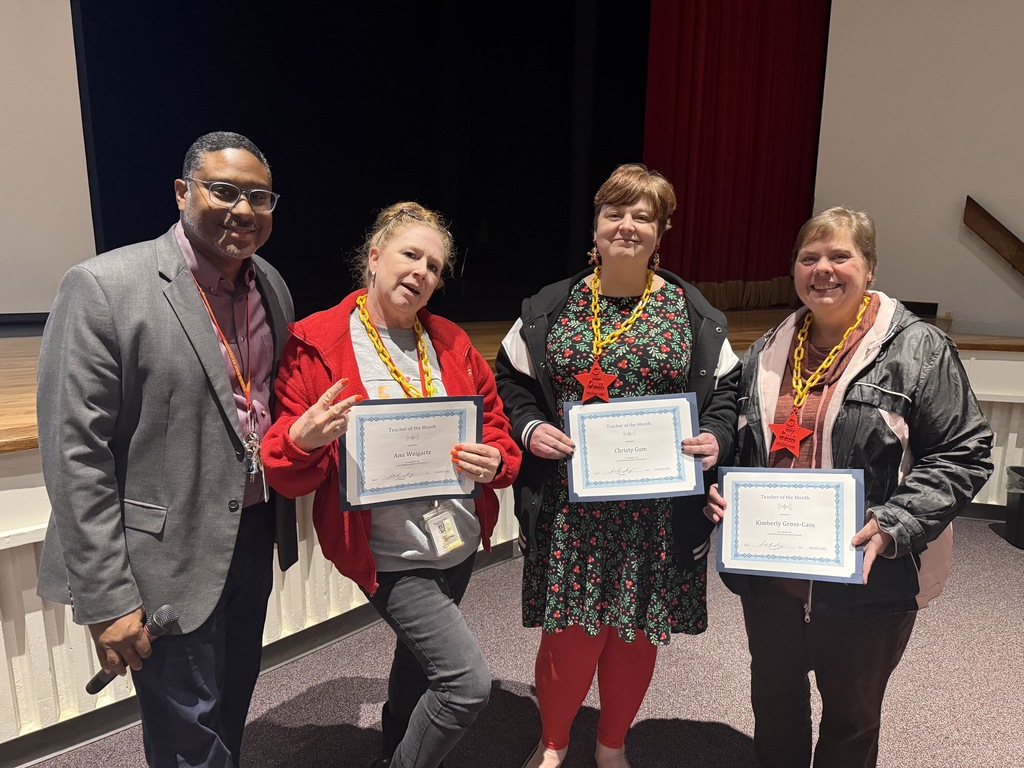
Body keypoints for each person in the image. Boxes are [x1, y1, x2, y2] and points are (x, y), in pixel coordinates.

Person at [35, 131, 297, 766]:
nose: (243, 209)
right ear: (183, 193)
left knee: (230, 706)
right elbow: (76, 455)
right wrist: (108, 599)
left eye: (259, 197)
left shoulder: (271, 286)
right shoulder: (103, 286)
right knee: (187, 738)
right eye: (223, 191)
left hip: (251, 534)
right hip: (160, 555)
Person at [705, 206, 994, 768]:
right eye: (809, 257)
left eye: (841, 256)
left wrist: (893, 523)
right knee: (775, 706)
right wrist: (722, 487)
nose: (823, 269)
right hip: (773, 580)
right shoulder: (764, 352)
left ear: (870, 267)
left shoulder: (919, 350)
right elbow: (742, 444)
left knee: (852, 720)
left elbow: (964, 451)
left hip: (870, 578)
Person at [495, 163, 740, 768]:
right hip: (571, 505)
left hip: (657, 511)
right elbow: (510, 382)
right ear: (596, 225)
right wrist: (529, 429)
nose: (627, 225)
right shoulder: (550, 307)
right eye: (615, 212)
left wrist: (714, 436)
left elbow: (727, 393)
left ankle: (612, 745)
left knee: (634, 630)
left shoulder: (693, 313)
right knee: (569, 630)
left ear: (661, 231)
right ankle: (553, 742)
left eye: (643, 216)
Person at [261, 201, 521, 768]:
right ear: (375, 257)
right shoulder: (318, 343)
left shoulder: (451, 341)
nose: (421, 271)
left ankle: (394, 746)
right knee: (465, 684)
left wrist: (496, 458)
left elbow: (496, 428)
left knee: (416, 664)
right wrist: (302, 439)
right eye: (411, 255)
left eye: (434, 266)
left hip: (455, 540)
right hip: (389, 554)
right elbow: (283, 466)